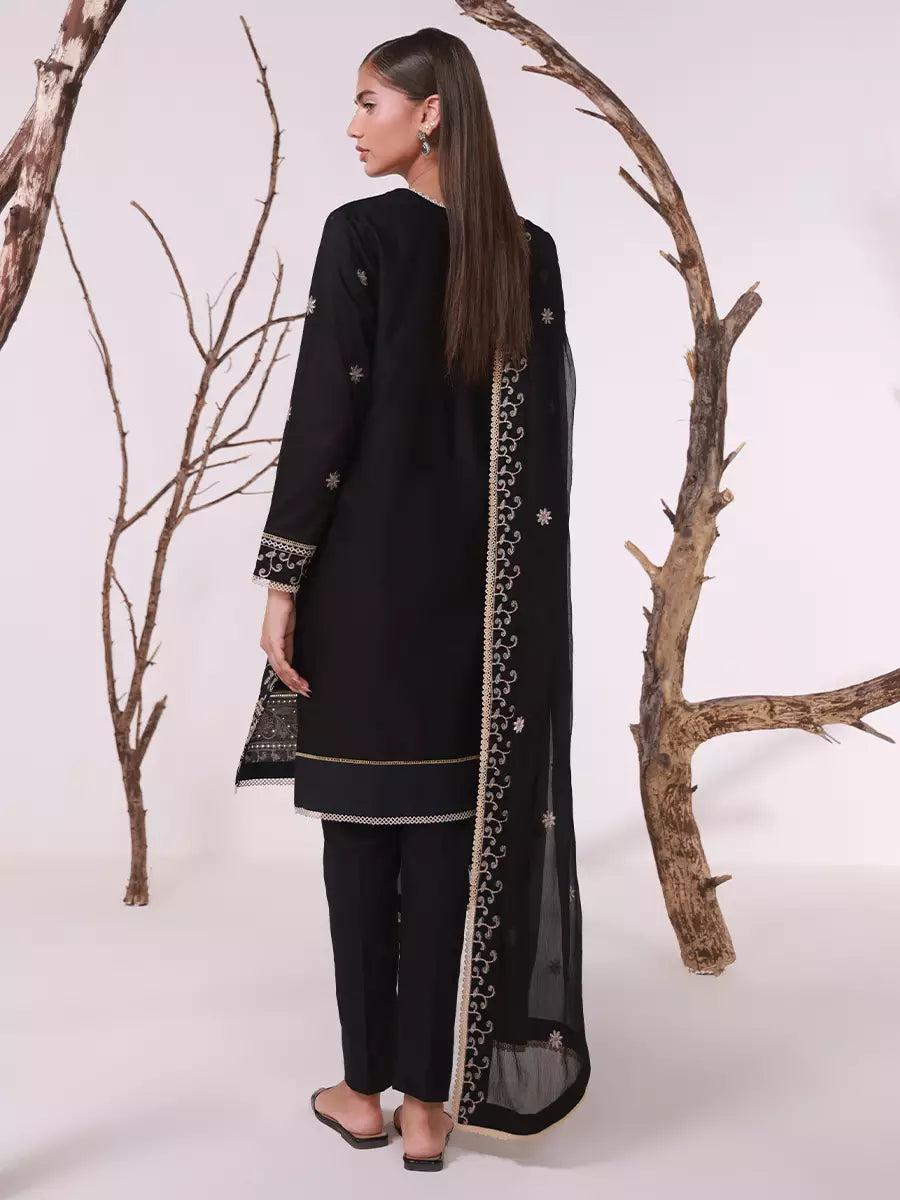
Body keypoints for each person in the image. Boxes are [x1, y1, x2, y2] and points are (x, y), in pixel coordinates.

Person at [233, 27, 590, 1166]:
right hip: (478, 616)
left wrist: (283, 576)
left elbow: (323, 422)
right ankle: (430, 1109)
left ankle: (361, 1089)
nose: (353, 125)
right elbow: (538, 458)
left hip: (364, 598)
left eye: (369, 102)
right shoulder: (525, 254)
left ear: (429, 114)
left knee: (361, 849)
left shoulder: (363, 235)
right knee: (445, 848)